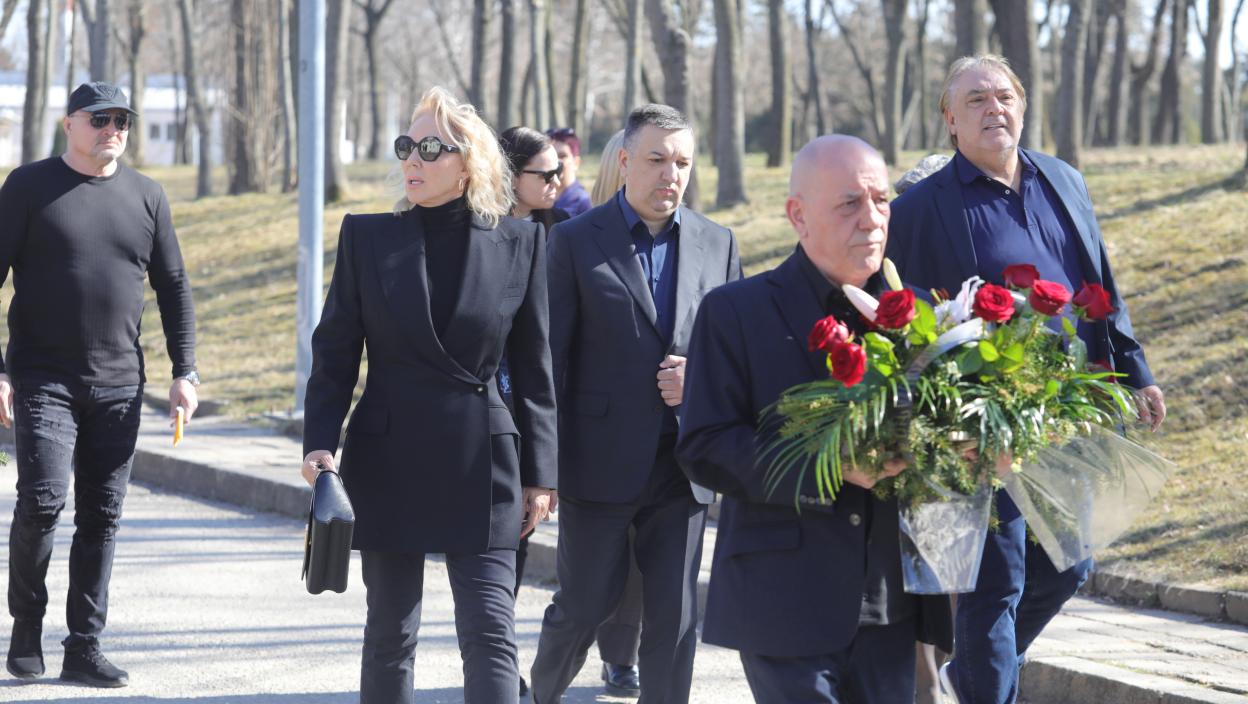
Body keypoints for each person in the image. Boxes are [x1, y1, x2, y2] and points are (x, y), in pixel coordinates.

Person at [887, 55, 1166, 704]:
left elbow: (1100, 287)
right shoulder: (924, 208)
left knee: (1071, 566)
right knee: (996, 582)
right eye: (976, 100)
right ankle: (988, 682)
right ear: (950, 119)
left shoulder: (1063, 179)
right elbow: (900, 323)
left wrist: (1136, 370)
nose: (995, 108)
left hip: (1070, 411)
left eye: (1005, 95)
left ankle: (977, 673)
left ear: (1023, 104)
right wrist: (935, 420)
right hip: (982, 422)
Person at [300, 86, 557, 704]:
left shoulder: (520, 243)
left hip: (485, 461)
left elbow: (534, 366)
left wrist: (542, 474)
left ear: (469, 163)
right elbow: (336, 352)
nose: (412, 159)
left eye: (431, 147)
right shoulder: (367, 237)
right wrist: (319, 444)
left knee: (492, 631)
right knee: (391, 631)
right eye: (406, 145)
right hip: (388, 456)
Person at [675, 135, 952, 704]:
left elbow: (944, 433)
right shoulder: (737, 311)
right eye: (849, 203)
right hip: (784, 597)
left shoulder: (923, 314)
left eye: (880, 200)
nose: (872, 219)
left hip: (892, 602)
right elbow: (705, 444)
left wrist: (968, 449)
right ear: (798, 216)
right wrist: (831, 468)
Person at [529, 104, 742, 704]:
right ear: (625, 162)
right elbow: (546, 362)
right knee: (585, 604)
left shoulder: (717, 243)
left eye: (681, 162)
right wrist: (539, 471)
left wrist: (698, 378)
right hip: (596, 464)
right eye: (656, 159)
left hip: (683, 466)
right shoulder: (574, 241)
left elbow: (736, 356)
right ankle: (540, 693)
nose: (670, 174)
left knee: (674, 620)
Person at [0, 81, 199, 688]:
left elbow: (174, 288)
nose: (113, 128)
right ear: (69, 125)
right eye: (100, 118)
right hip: (43, 377)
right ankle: (26, 627)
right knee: (43, 499)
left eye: (124, 120)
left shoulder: (147, 196)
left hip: (118, 382)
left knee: (103, 516)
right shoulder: (27, 187)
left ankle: (84, 644)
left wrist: (184, 371)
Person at [547, 127, 592, 217]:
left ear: (576, 162)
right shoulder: (540, 197)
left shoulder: (582, 203)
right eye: (551, 155)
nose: (556, 161)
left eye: (562, 156)